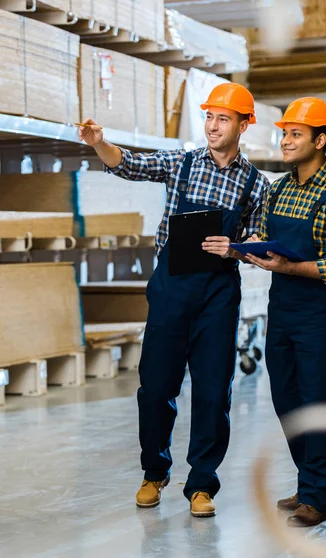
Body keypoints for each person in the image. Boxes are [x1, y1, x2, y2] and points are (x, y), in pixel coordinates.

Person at [79, 83, 269, 517]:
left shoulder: (256, 183)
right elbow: (130, 165)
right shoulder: (182, 163)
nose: (213, 126)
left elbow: (258, 239)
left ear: (243, 125)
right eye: (209, 117)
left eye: (223, 119)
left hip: (218, 295)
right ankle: (154, 472)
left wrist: (238, 249)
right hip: (170, 289)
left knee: (212, 391)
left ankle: (202, 484)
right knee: (157, 386)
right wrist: (100, 143)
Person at [245, 97, 326, 528]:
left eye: (295, 134)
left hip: (322, 311)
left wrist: (290, 266)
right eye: (284, 133)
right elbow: (265, 233)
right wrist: (252, 250)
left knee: (320, 400)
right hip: (283, 307)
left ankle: (315, 493)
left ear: (321, 140)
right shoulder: (278, 188)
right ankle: (319, 476)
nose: (285, 140)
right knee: (288, 399)